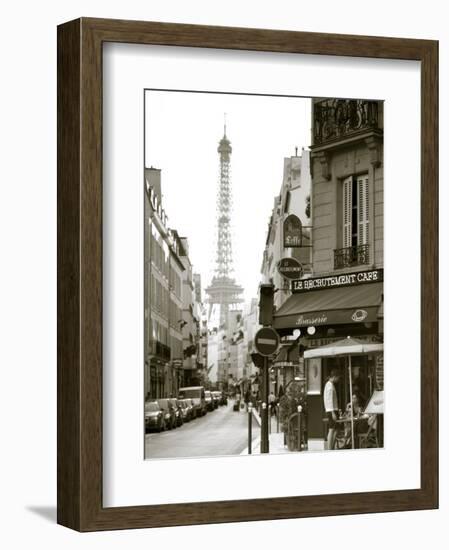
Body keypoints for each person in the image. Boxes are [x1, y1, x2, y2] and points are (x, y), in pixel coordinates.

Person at [323, 368, 340, 450]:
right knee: (332, 429)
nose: (338, 379)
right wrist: (333, 412)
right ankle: (330, 448)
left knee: (336, 429)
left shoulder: (329, 384)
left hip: (332, 409)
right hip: (331, 410)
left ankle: (331, 447)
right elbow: (329, 400)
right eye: (338, 378)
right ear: (334, 377)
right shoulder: (329, 385)